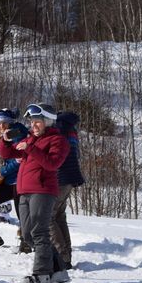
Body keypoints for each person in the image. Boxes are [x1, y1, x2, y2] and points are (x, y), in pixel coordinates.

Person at [0, 103, 70, 283]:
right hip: (24, 191)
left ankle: (42, 273)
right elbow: (7, 154)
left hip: (43, 190)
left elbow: (52, 164)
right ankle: (59, 270)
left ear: (48, 121)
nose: (33, 125)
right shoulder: (30, 139)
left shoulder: (58, 140)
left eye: (37, 121)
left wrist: (30, 148)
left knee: (39, 232)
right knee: (28, 235)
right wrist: (5, 141)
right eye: (31, 122)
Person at [0, 108, 27, 248]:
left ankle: (26, 241)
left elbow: (20, 160)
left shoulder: (18, 134)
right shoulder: (7, 135)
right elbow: (11, 160)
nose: (1, 126)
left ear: (10, 122)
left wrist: (2, 172)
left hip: (21, 179)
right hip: (10, 179)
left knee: (21, 211)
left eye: (4, 122)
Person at [51, 110, 85, 270]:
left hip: (60, 177)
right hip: (70, 177)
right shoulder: (71, 129)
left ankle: (62, 257)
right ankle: (66, 256)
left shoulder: (59, 127)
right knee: (59, 216)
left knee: (48, 217)